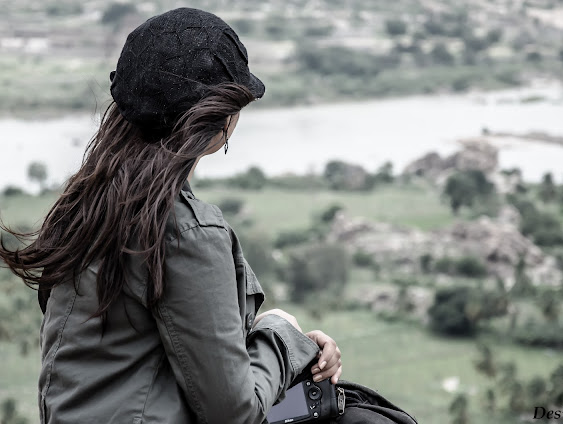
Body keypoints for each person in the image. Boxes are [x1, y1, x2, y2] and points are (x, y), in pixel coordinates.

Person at [0, 8, 342, 424]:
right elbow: (234, 411)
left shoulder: (86, 203)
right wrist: (282, 334)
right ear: (220, 118)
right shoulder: (185, 231)